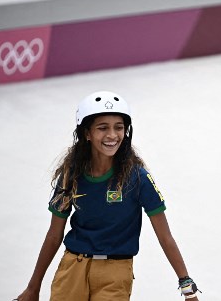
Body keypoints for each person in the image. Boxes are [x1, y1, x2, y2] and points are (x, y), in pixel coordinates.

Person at [15, 91, 200, 300]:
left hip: (115, 273)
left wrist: (187, 287)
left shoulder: (138, 178)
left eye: (119, 127)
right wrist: (33, 287)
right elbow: (54, 235)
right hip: (72, 269)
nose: (112, 135)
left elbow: (165, 237)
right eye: (103, 128)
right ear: (87, 133)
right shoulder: (71, 175)